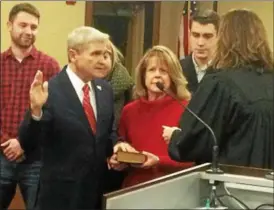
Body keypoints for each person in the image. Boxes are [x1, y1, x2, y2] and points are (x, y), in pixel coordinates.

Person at [18, 26, 134, 210]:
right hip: (60, 196)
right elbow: (28, 142)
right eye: (95, 54)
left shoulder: (105, 90)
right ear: (73, 55)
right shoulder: (50, 90)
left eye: (106, 54)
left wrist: (117, 146)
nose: (104, 60)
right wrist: (36, 111)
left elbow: (108, 132)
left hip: (96, 193)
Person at [164, 9, 274, 169]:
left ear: (225, 39)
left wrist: (176, 137)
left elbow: (197, 142)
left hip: (234, 183)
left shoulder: (221, 83)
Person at [0, 3, 60, 209]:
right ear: (9, 25)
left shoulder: (50, 66)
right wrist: (8, 143)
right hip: (0, 155)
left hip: (36, 159)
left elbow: (53, 113)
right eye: (23, 25)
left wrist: (22, 143)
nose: (28, 31)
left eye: (33, 27)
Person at [109, 45, 194, 188]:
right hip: (134, 189)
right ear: (143, 75)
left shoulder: (187, 109)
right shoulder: (129, 111)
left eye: (164, 71)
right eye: (152, 70)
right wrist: (118, 161)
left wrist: (159, 161)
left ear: (173, 77)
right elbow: (122, 146)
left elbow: (194, 160)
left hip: (173, 189)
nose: (157, 75)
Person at [180, 10, 220, 93]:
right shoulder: (177, 69)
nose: (200, 43)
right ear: (189, 35)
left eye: (207, 36)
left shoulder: (226, 71)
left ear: (218, 37)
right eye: (196, 35)